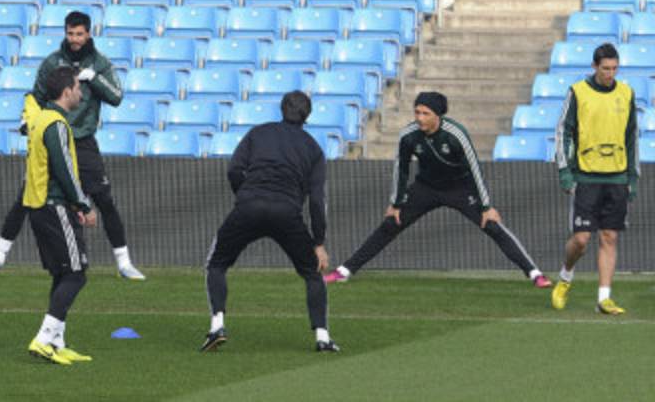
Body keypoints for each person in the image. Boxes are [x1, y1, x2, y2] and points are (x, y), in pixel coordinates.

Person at [0, 11, 144, 280]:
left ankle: (124, 263)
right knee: (26, 196)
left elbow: (116, 97)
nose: (74, 39)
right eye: (70, 33)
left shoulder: (100, 63)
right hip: (53, 136)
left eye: (79, 34)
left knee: (104, 199)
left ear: (88, 33)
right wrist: (27, 122)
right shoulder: (52, 62)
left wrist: (95, 79)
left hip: (83, 141)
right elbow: (36, 97)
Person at [324, 92, 551, 288]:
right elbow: (401, 168)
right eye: (417, 112)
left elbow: (474, 169)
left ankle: (534, 274)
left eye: (425, 113)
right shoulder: (409, 135)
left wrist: (486, 206)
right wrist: (396, 203)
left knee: (492, 226)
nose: (419, 118)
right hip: (426, 188)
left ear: (437, 115)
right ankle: (345, 271)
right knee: (391, 224)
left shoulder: (455, 135)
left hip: (459, 188)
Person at [202, 91, 337, 353]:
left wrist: (244, 196)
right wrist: (318, 242)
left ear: (281, 109)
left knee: (216, 264)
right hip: (287, 212)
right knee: (312, 273)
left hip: (249, 206)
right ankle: (322, 337)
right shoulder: (313, 149)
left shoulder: (258, 133)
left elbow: (234, 170)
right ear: (307, 115)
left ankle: (217, 326)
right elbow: (318, 200)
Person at [551, 43, 637, 315]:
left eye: (614, 68)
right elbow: (563, 130)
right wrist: (565, 171)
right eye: (605, 68)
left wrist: (632, 176)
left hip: (617, 176)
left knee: (609, 237)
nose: (610, 73)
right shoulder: (578, 92)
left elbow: (632, 137)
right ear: (594, 66)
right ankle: (566, 277)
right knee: (581, 240)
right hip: (586, 176)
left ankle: (604, 298)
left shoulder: (626, 93)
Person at [23, 66, 97, 365]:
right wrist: (83, 205)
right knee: (76, 274)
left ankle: (56, 342)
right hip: (53, 205)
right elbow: (64, 169)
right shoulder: (56, 123)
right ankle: (43, 338)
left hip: (40, 204)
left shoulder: (40, 118)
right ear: (67, 91)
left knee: (64, 272)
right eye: (78, 87)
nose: (80, 92)